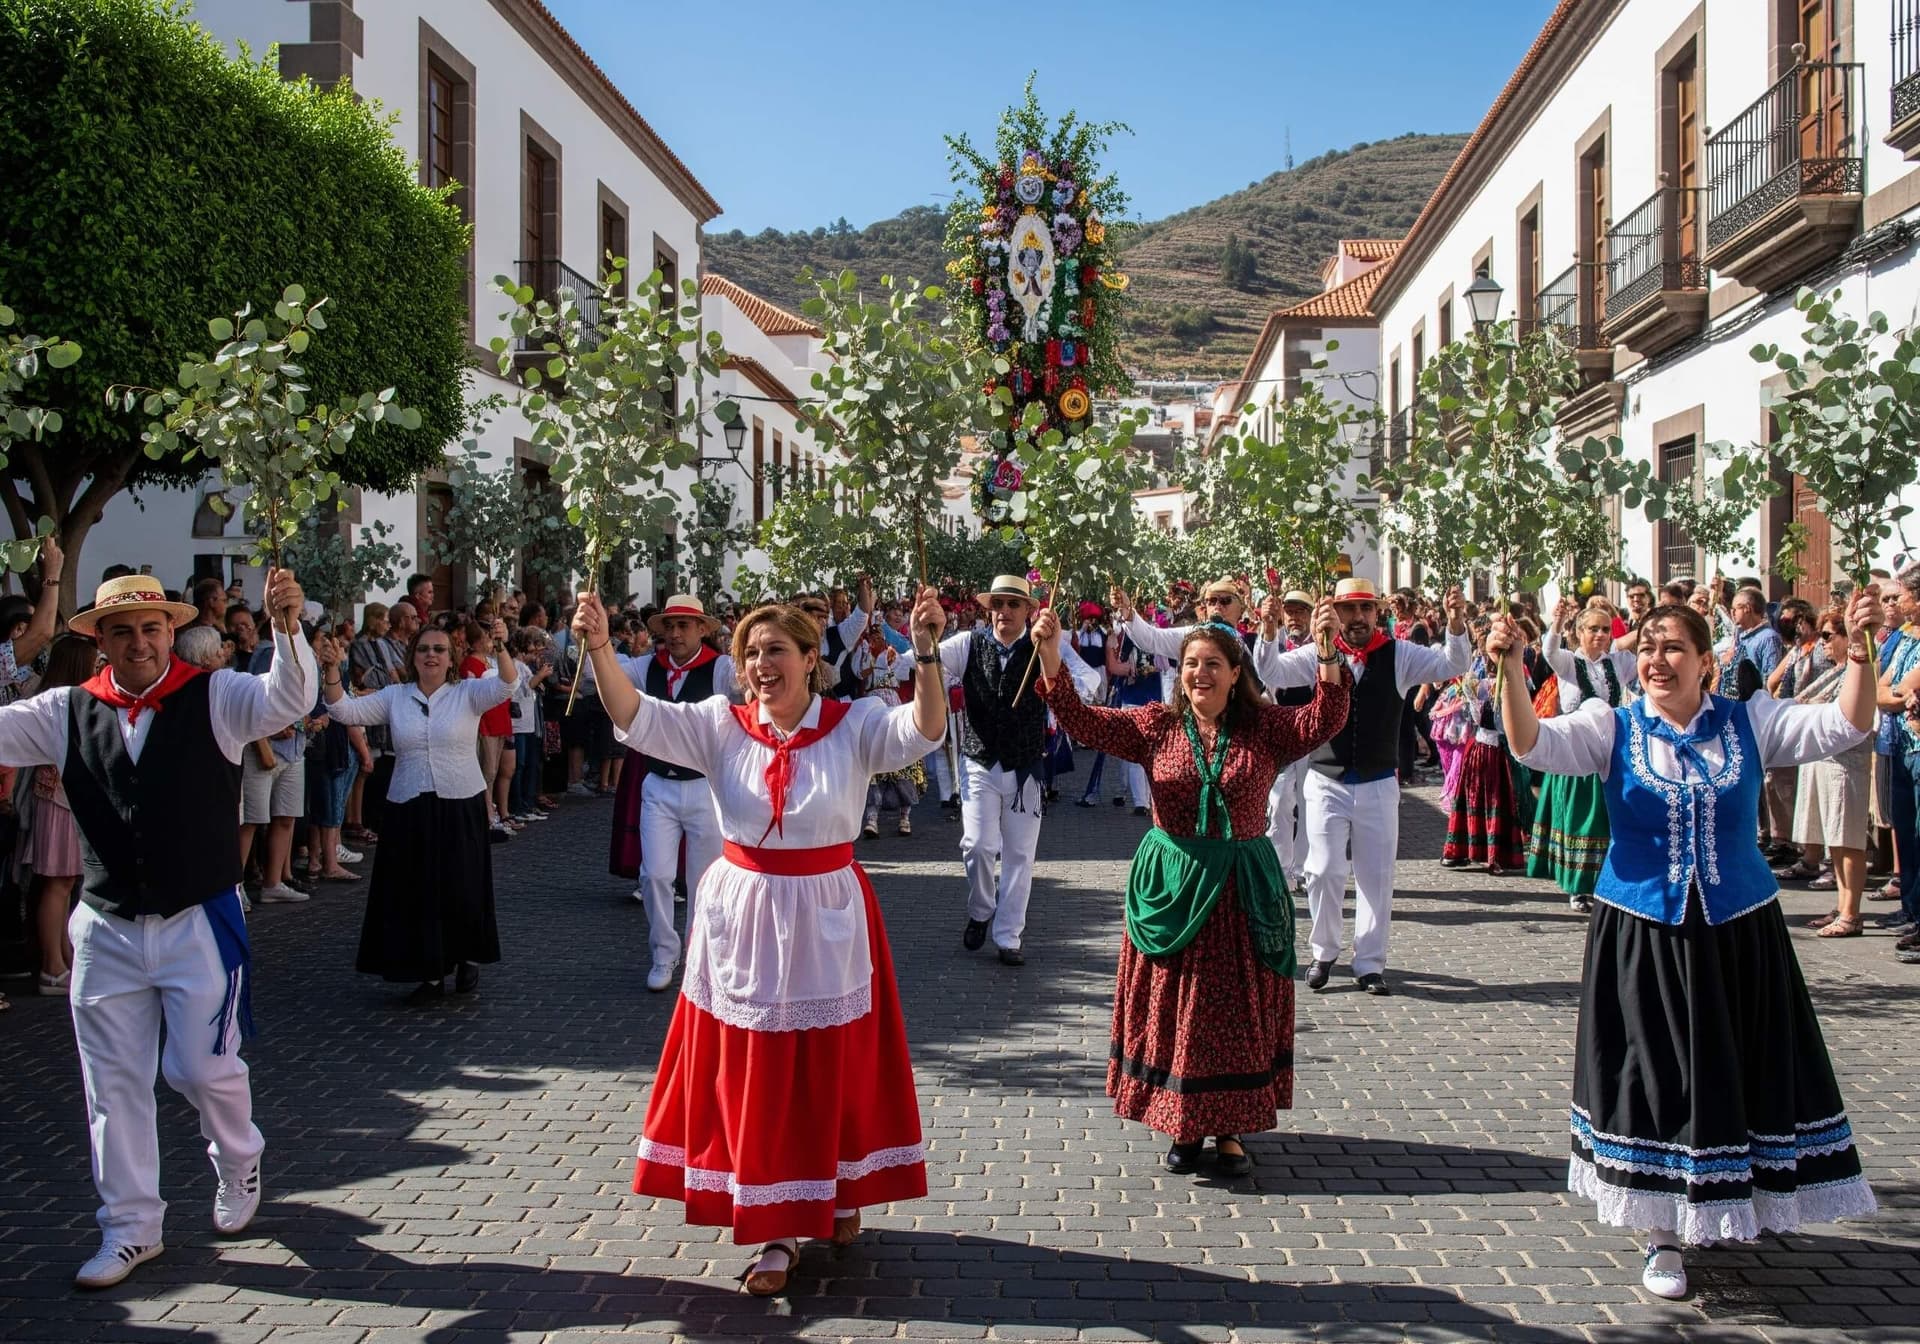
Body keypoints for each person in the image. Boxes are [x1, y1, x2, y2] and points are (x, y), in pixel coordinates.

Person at [1493, 595, 1880, 1301]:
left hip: (1738, 927)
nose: (1656, 659)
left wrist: (1858, 653)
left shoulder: (1748, 719)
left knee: (1737, 1064)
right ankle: (1661, 1233)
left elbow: (1844, 723)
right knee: (1655, 1076)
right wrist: (1513, 669)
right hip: (1643, 930)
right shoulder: (1611, 725)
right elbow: (1531, 744)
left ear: (1708, 661)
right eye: (1647, 647)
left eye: (1673, 647)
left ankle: (1735, 1201)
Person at [575, 587, 948, 1297]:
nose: (760, 664)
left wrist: (925, 650)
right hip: (743, 915)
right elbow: (633, 714)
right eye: (750, 654)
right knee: (757, 1070)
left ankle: (835, 1189)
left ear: (811, 659)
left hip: (826, 910)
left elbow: (924, 729)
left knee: (827, 1062)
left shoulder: (852, 724)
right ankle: (775, 1228)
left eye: (776, 650)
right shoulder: (721, 725)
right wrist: (598, 646)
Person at [0, 566, 314, 1288]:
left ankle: (238, 1154)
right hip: (107, 922)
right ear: (100, 641)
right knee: (111, 1085)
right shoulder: (65, 709)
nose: (139, 642)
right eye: (122, 631)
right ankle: (131, 1227)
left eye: (151, 627)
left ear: (170, 632)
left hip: (198, 915)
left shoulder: (217, 695)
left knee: (201, 1068)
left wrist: (287, 631)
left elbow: (287, 699)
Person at [1032, 601, 1347, 1175]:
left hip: (1241, 888)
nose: (1199, 674)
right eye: (1190, 664)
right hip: (1174, 885)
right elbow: (1082, 721)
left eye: (1212, 665)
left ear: (1235, 673)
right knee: (1178, 1006)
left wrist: (1325, 651)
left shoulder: (1262, 728)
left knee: (1230, 1006)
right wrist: (1051, 653)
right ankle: (1183, 1122)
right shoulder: (1155, 726)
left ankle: (1229, 1128)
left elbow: (1322, 721)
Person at [1254, 577, 1471, 995]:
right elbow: (1272, 670)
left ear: (1378, 613)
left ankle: (1370, 963)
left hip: (1377, 783)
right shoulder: (1320, 652)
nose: (1357, 618)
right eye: (1348, 609)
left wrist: (1457, 622)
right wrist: (1268, 630)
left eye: (1365, 609)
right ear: (1333, 610)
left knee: (1376, 876)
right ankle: (1324, 950)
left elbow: (1451, 665)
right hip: (1325, 779)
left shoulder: (1399, 654)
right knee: (1322, 871)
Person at [320, 618, 516, 1004]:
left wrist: (501, 646)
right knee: (417, 891)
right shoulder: (395, 695)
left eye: (439, 650)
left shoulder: (468, 694)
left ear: (451, 658)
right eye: (424, 649)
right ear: (413, 656)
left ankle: (464, 958)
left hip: (460, 801)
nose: (431, 655)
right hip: (409, 803)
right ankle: (427, 971)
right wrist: (331, 670)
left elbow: (507, 685)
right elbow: (343, 710)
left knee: (462, 885)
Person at [932, 574, 1102, 967]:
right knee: (977, 845)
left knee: (1020, 855)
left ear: (1029, 610)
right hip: (979, 762)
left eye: (1013, 604)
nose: (1004, 612)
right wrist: (924, 635)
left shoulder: (1044, 646)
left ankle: (1009, 936)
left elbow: (1090, 682)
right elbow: (924, 663)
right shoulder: (968, 644)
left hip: (1025, 767)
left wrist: (1053, 654)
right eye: (998, 604)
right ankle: (981, 909)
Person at [613, 594, 734, 992]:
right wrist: (594, 640)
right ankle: (664, 951)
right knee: (655, 875)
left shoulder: (719, 668)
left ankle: (699, 952)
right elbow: (609, 677)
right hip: (658, 785)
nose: (676, 633)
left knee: (704, 881)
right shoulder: (647, 665)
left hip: (704, 786)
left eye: (685, 625)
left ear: (703, 629)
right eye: (670, 626)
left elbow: (749, 685)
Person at [1529, 603, 1637, 909]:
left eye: (1605, 629)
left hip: (1612, 749)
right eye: (1594, 629)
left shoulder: (1616, 663)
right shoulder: (1569, 663)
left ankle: (1610, 879)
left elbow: (1642, 667)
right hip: (1577, 751)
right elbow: (1549, 651)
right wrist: (1557, 622)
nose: (1601, 635)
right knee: (1581, 819)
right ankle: (1579, 886)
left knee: (1610, 818)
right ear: (1579, 633)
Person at [14, 634, 100, 995]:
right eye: (95, 664)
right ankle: (52, 966)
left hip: (69, 798)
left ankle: (63, 956)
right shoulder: (57, 703)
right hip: (57, 798)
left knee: (66, 884)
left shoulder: (71, 699)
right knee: (57, 883)